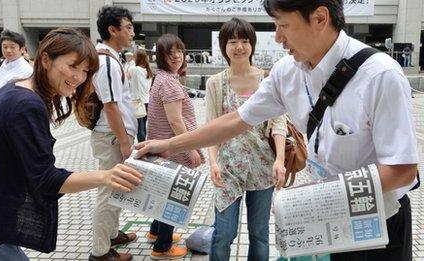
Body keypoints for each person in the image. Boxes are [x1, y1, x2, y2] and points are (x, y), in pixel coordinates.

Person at [134, 1, 418, 260]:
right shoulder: (288, 72)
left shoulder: (380, 76)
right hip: (333, 217)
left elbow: (402, 170)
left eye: (283, 25)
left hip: (379, 220)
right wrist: (167, 145)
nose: (279, 38)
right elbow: (234, 121)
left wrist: (317, 198)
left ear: (319, 18)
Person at [0, 27, 143, 260]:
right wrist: (107, 176)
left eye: (86, 70)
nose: (79, 76)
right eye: (72, 66)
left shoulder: (15, 88)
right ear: (45, 59)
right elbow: (46, 180)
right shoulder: (27, 104)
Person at [205, 17, 287, 261]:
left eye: (244, 40)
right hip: (228, 168)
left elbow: (279, 122)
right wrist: (213, 162)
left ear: (252, 44)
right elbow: (211, 128)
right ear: (224, 46)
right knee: (223, 234)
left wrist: (280, 159)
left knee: (259, 234)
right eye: (232, 41)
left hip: (263, 167)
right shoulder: (215, 83)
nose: (239, 46)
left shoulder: (267, 80)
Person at [146, 33, 204, 259]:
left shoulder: (161, 77)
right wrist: (191, 147)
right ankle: (162, 247)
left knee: (162, 192)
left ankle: (155, 231)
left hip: (162, 147)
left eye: (179, 51)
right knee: (173, 196)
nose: (177, 56)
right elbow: (176, 121)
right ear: (161, 56)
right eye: (170, 53)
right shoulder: (170, 84)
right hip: (173, 150)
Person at [89, 5, 139, 261]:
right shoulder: (106, 61)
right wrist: (124, 143)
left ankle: (112, 234)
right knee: (108, 192)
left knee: (117, 189)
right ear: (112, 30)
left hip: (114, 135)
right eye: (128, 27)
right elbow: (110, 106)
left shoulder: (111, 57)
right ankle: (100, 252)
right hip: (112, 137)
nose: (132, 32)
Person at [127, 48, 153, 142]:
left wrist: (132, 63)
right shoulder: (149, 72)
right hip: (147, 101)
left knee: (139, 128)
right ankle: (144, 145)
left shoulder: (134, 69)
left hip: (137, 102)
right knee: (143, 127)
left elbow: (124, 79)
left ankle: (142, 148)